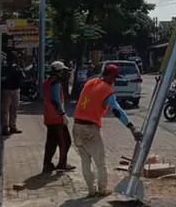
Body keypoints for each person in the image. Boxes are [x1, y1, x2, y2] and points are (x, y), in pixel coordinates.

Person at [72, 64, 143, 197]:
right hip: (90, 129)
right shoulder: (107, 90)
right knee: (100, 161)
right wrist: (131, 127)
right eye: (114, 77)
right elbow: (116, 110)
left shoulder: (90, 83)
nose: (115, 80)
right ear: (110, 76)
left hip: (76, 126)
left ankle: (91, 191)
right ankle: (102, 189)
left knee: (85, 161)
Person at [43, 61, 75, 173]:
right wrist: (63, 114)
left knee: (51, 142)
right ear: (59, 71)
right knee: (65, 141)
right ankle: (62, 163)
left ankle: (47, 164)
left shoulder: (47, 82)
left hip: (48, 117)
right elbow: (56, 100)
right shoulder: (55, 83)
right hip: (56, 118)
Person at [1, 51, 25, 136]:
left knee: (12, 109)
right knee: (6, 110)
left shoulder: (17, 68)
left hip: (13, 89)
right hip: (8, 89)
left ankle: (11, 126)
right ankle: (6, 126)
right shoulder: (5, 68)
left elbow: (22, 77)